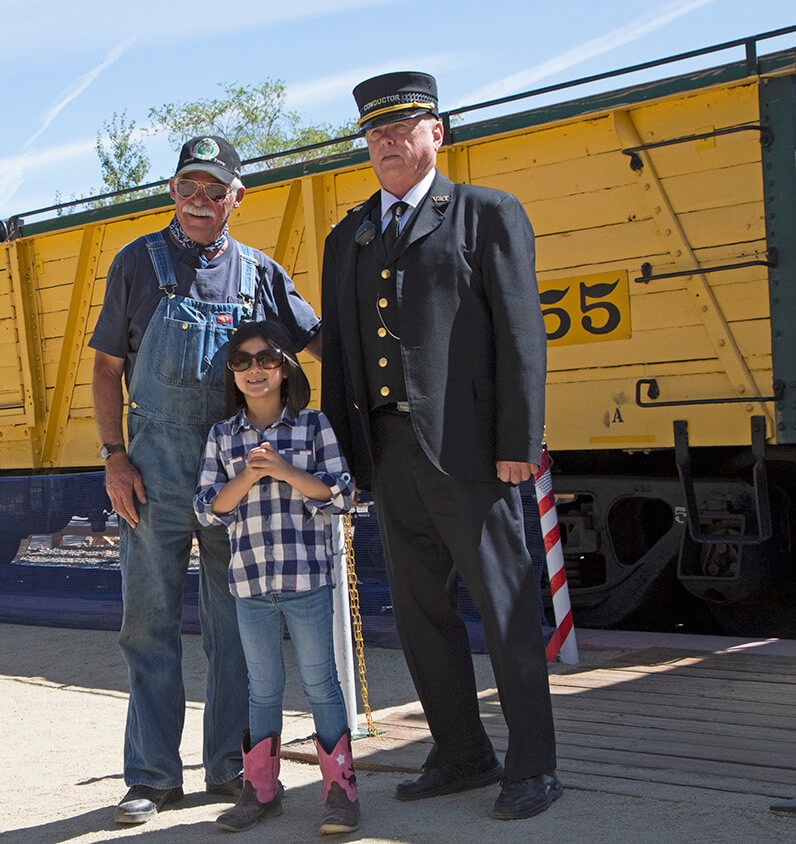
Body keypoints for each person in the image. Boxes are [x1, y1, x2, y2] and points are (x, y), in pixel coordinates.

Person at [318, 70, 560, 821]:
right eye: (376, 135)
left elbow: (522, 335)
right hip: (390, 454)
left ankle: (534, 767)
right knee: (423, 614)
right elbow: (347, 359)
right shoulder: (347, 235)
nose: (389, 144)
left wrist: (517, 441)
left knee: (506, 607)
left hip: (473, 453)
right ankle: (461, 752)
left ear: (436, 133)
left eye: (403, 130)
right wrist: (349, 460)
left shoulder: (487, 214)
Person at [89, 135, 322, 824]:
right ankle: (152, 777)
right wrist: (113, 454)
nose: (200, 200)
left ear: (236, 198)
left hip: (237, 478)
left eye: (214, 190)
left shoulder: (261, 274)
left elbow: (318, 345)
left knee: (238, 627)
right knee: (148, 626)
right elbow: (106, 369)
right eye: (189, 186)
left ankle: (230, 768)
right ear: (171, 191)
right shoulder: (137, 263)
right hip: (152, 474)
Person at [193, 320, 358, 835]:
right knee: (262, 688)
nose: (255, 370)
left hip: (307, 580)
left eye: (266, 360)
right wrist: (247, 474)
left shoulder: (314, 427)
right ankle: (261, 789)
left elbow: (343, 495)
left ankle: (340, 791)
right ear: (231, 375)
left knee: (321, 684)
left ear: (286, 367)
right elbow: (206, 509)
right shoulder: (222, 436)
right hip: (249, 585)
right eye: (242, 362)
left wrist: (285, 470)